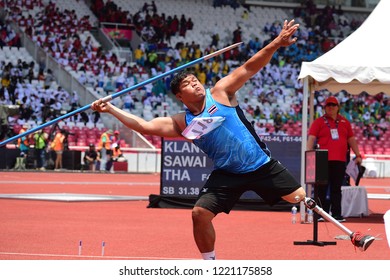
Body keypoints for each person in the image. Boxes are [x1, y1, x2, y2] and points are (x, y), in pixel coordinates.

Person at [92, 20, 307, 260]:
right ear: (179, 96)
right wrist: (111, 108)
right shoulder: (181, 122)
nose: (194, 82)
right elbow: (143, 125)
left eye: (195, 79)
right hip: (227, 173)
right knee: (199, 213)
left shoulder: (220, 92)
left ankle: (349, 233)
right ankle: (209, 265)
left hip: (260, 164)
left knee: (302, 199)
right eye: (187, 83)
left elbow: (249, 68)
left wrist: (276, 43)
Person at [306, 96, 363, 223]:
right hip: (322, 160)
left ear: (338, 107)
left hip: (339, 160)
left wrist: (358, 155)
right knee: (321, 189)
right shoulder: (319, 122)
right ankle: (320, 214)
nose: (331, 107)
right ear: (325, 108)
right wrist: (309, 155)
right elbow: (311, 138)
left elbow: (351, 139)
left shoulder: (345, 122)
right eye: (328, 105)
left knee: (336, 188)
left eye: (333, 105)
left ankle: (337, 214)